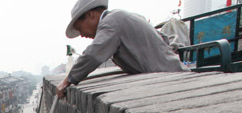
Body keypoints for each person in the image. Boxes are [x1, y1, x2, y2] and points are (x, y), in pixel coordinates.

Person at [57, 0, 187, 99]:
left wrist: (68, 80)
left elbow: (93, 55)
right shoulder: (120, 16)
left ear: (90, 15)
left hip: (171, 78)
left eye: (80, 28)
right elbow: (163, 38)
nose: (82, 34)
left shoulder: (111, 22)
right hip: (171, 72)